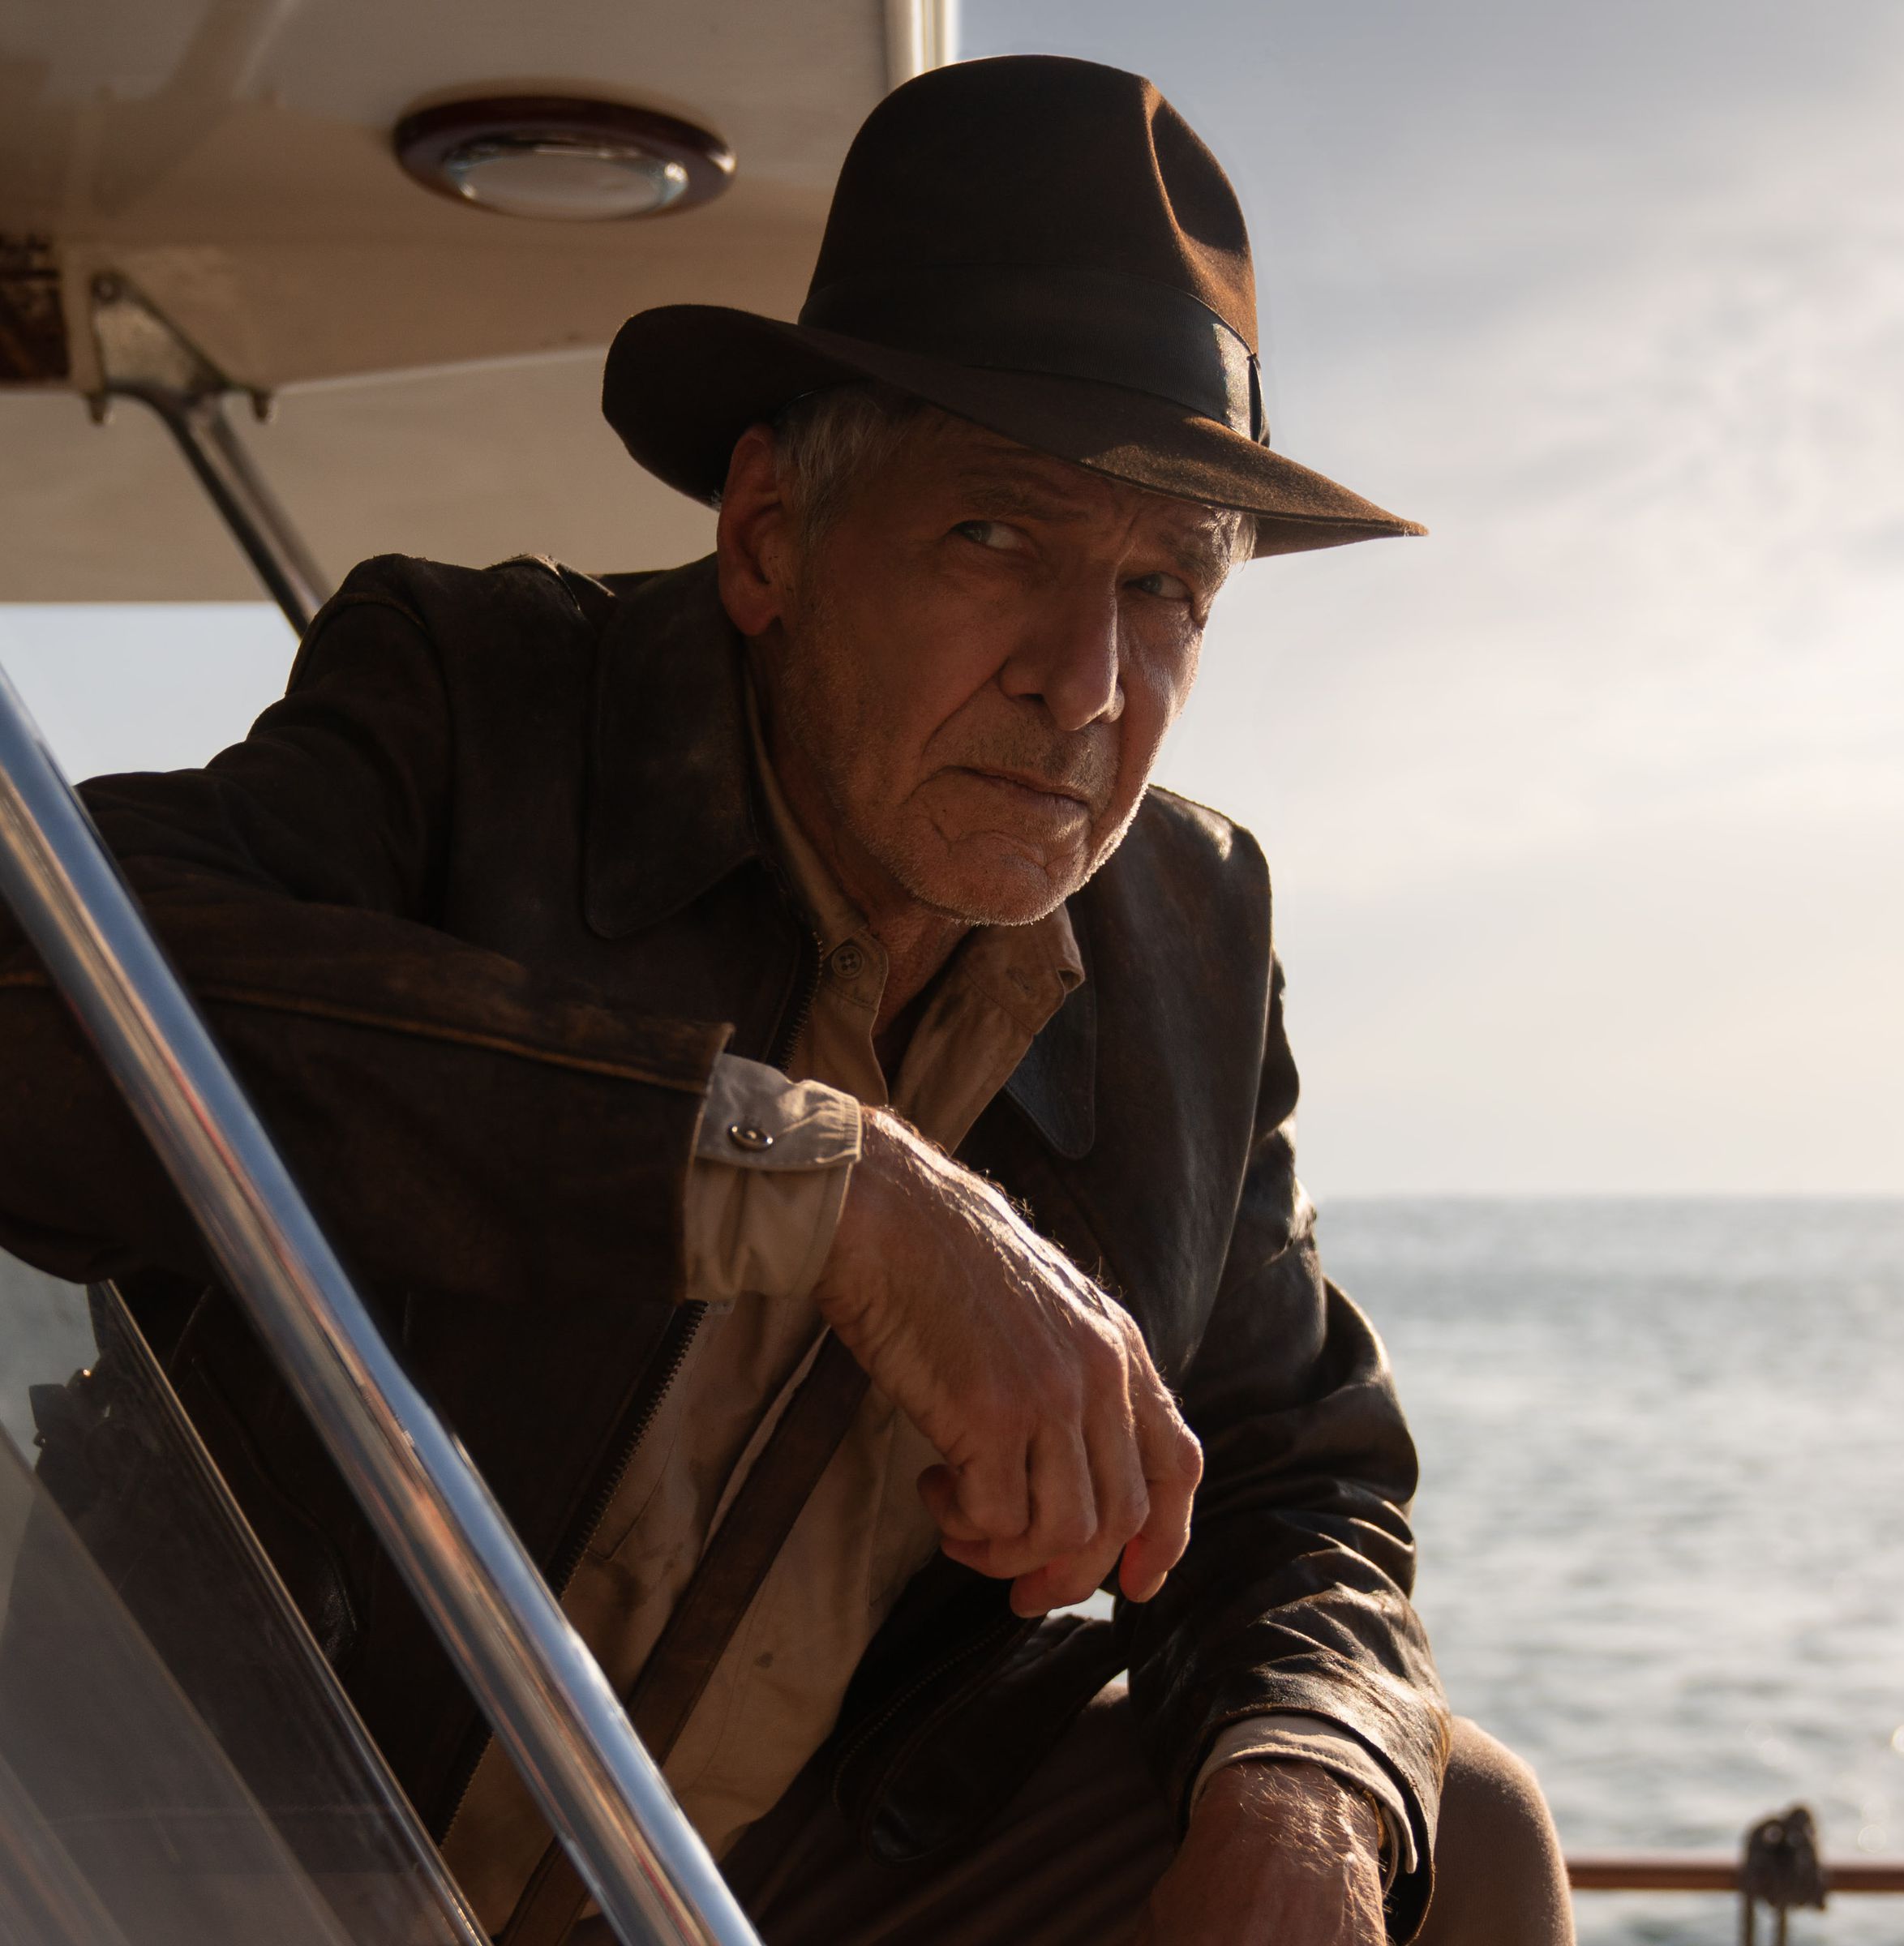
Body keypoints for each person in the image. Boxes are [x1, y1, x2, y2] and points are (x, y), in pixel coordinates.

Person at [0, 54, 1572, 1946]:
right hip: (247, 1830)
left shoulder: (1192, 942)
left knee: (1454, 1833)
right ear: (768, 537)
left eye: (1165, 587)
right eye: (999, 536)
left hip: (776, 1879)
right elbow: (44, 987)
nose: (1086, 683)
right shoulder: (476, 705)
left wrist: (1308, 1782)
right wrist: (812, 1190)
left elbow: (1300, 1486)